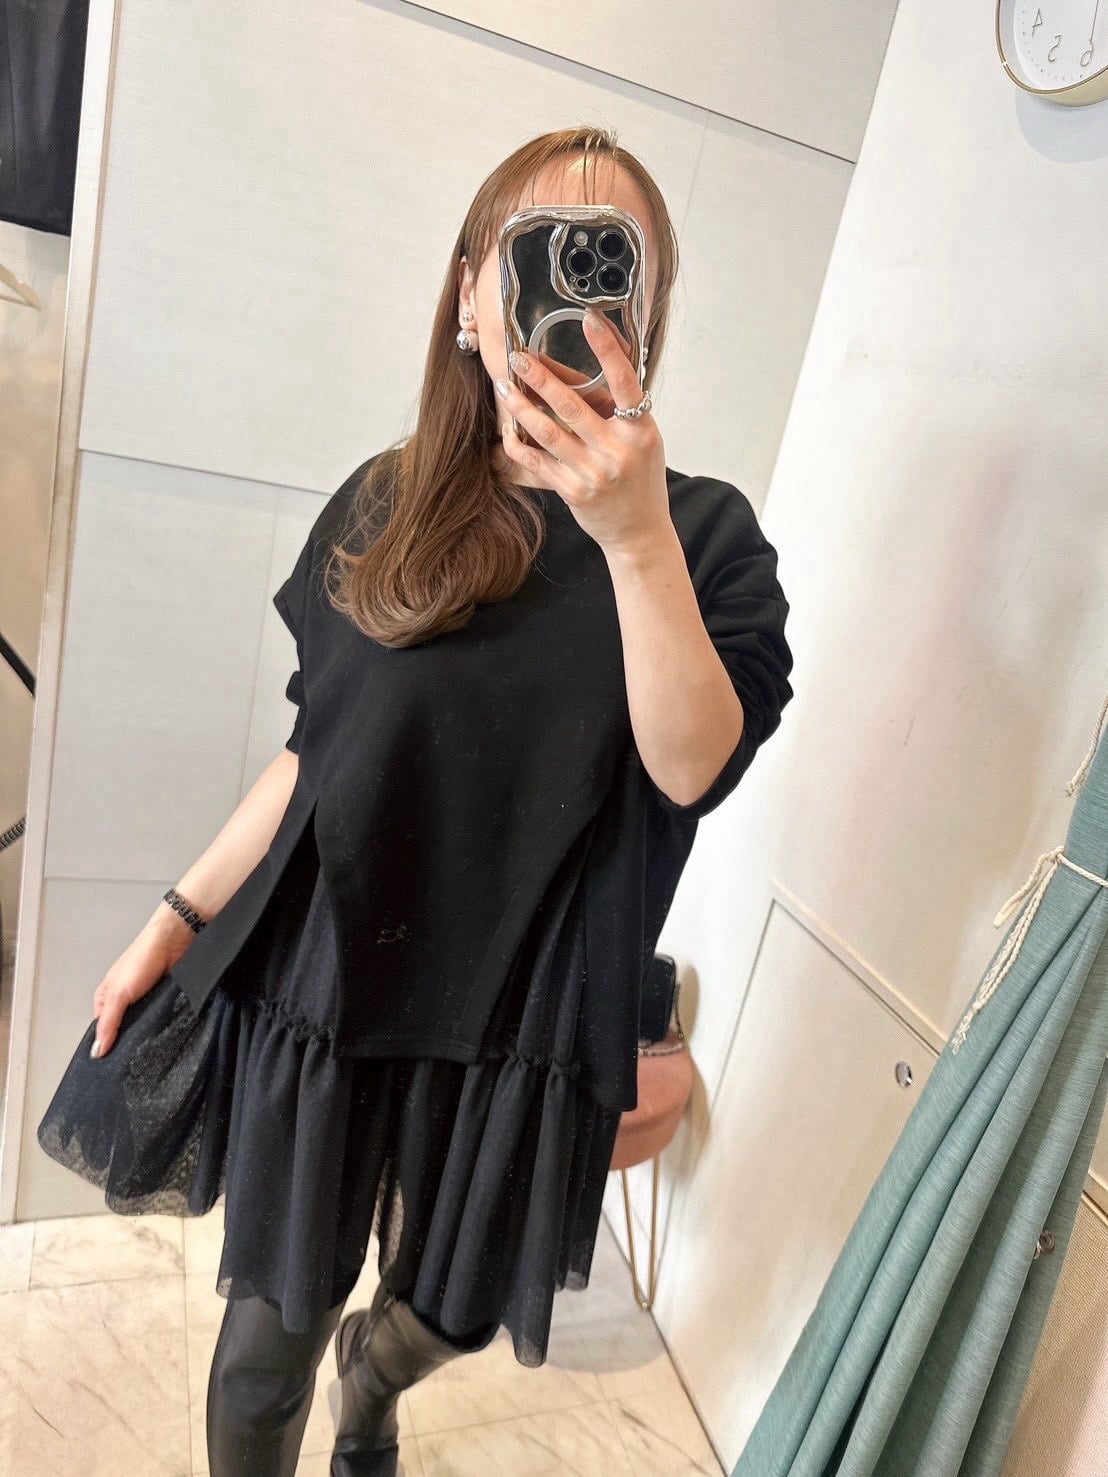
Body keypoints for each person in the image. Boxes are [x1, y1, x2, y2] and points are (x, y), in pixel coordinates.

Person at [36, 125, 794, 1476]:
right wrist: (175, 916)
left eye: (608, 259)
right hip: (332, 981)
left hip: (522, 1012)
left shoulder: (702, 535)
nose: (571, 283)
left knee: (448, 1315)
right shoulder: (385, 503)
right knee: (259, 1350)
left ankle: (374, 1384)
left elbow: (692, 764)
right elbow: (311, 757)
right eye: (538, 249)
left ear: (644, 310)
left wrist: (632, 536)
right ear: (470, 296)